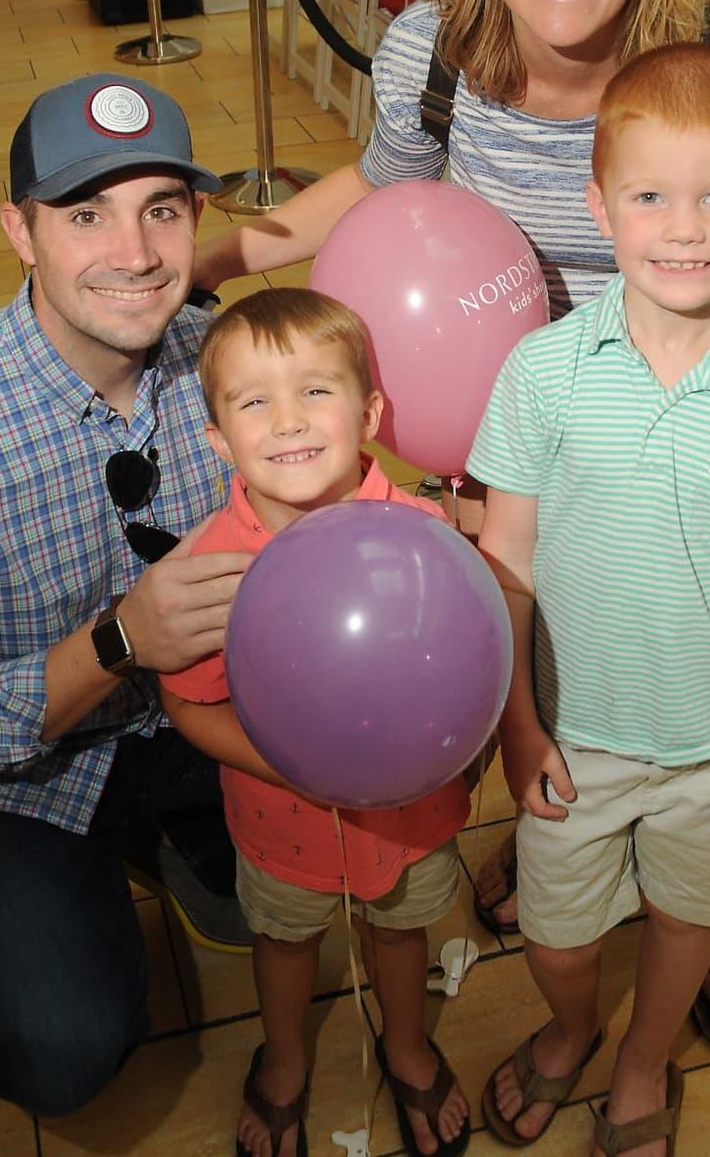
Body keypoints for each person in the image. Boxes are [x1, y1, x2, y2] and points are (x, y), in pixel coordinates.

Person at [192, 0, 710, 1045]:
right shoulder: (434, 54)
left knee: (705, 663)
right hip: (517, 441)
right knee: (541, 649)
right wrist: (209, 256)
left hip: (690, 438)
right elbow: (378, 192)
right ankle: (565, 829)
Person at [0, 74, 256, 1118]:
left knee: (320, 884)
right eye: (85, 214)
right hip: (7, 773)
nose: (134, 252)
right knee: (61, 1049)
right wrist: (122, 638)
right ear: (19, 231)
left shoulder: (221, 360)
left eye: (160, 207)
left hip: (189, 716)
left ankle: (156, 831)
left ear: (195, 218)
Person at [466, 42, 710, 1154]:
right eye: (649, 197)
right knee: (561, 938)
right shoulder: (540, 370)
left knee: (686, 917)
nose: (681, 228)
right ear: (600, 204)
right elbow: (505, 555)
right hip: (571, 738)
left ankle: (638, 1060)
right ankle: (572, 1025)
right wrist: (518, 726)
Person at [159, 287, 472, 1157]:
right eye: (254, 401)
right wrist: (285, 764)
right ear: (218, 438)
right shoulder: (213, 569)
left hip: (406, 818)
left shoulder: (424, 535)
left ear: (370, 411)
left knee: (400, 929)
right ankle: (287, 1058)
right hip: (278, 820)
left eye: (317, 391)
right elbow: (185, 702)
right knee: (285, 940)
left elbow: (466, 667)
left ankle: (407, 1046)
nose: (289, 420)